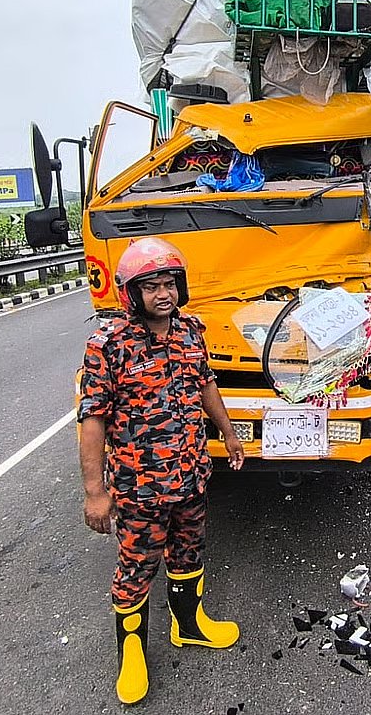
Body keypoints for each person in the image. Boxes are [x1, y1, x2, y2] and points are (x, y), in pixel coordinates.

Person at [79, 237, 246, 705]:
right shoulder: (108, 345)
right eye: (150, 287)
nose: (163, 294)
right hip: (139, 487)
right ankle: (131, 651)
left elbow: (206, 383)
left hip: (191, 474)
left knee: (189, 553)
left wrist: (228, 434)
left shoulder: (191, 330)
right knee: (136, 567)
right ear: (131, 294)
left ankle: (189, 624)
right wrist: (95, 491)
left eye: (169, 283)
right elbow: (91, 419)